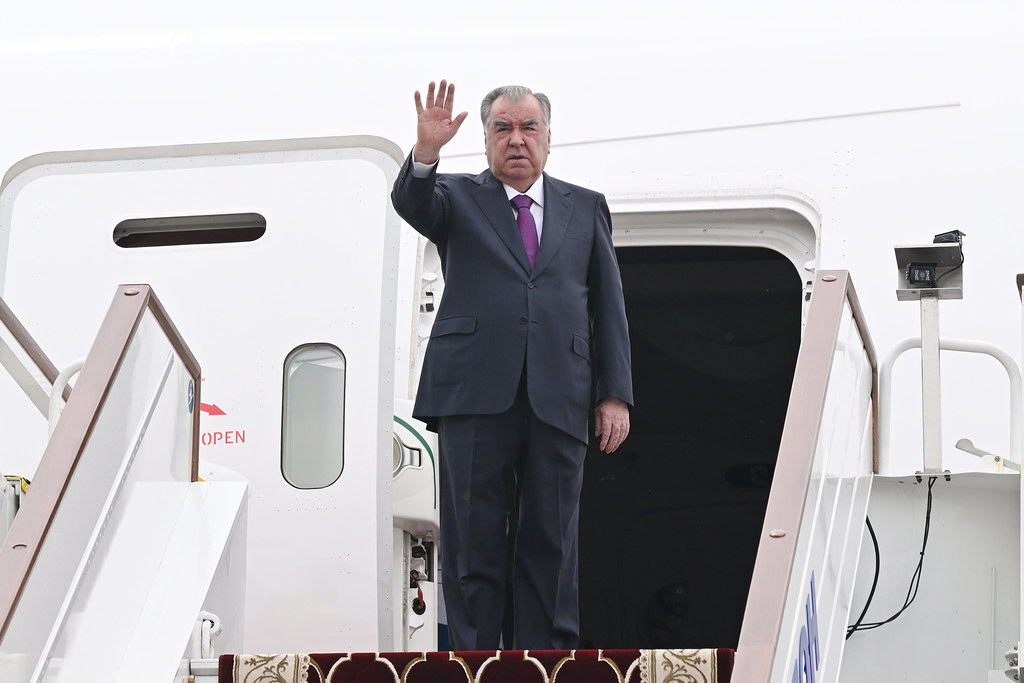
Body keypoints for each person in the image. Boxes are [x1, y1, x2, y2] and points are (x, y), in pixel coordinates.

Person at [391, 80, 633, 651]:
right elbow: (412, 203)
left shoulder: (585, 206)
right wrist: (425, 153)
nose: (516, 139)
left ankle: (547, 664)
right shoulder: (455, 196)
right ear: (485, 139)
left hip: (561, 393)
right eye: (503, 128)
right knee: (473, 539)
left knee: (552, 541)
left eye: (528, 127)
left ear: (548, 137)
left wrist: (615, 393)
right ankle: (476, 663)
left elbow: (607, 304)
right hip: (474, 393)